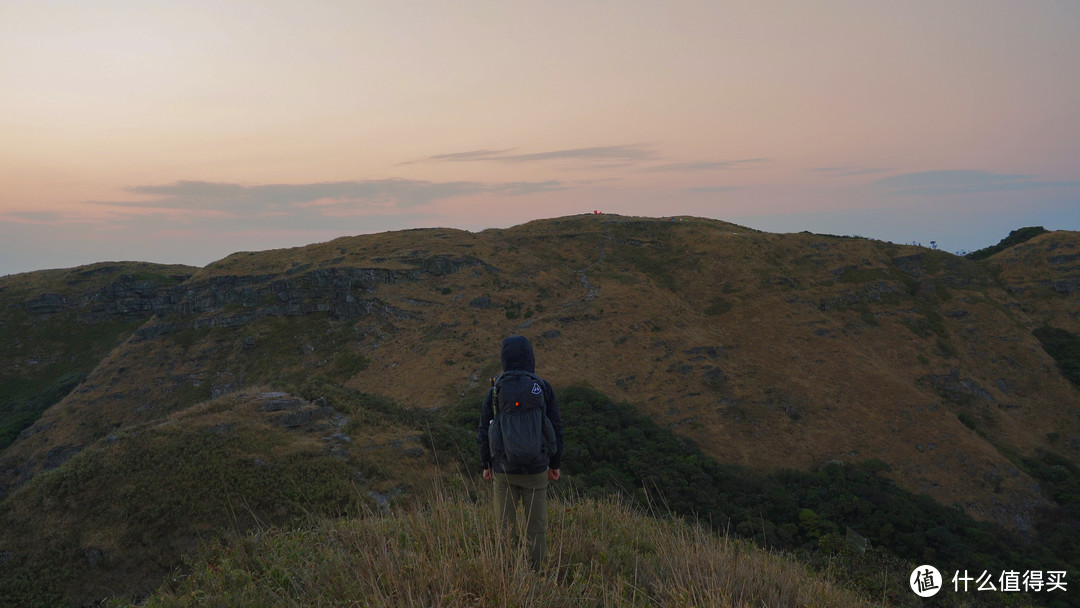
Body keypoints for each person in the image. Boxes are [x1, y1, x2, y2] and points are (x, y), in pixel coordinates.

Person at [478, 335, 563, 571]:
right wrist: (554, 463)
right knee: (536, 528)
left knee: (505, 527)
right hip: (536, 470)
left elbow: (485, 429)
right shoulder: (543, 387)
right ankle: (537, 576)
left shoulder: (495, 389)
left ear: (504, 358)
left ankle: (508, 576)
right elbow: (555, 427)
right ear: (530, 357)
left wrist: (486, 464)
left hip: (503, 470)